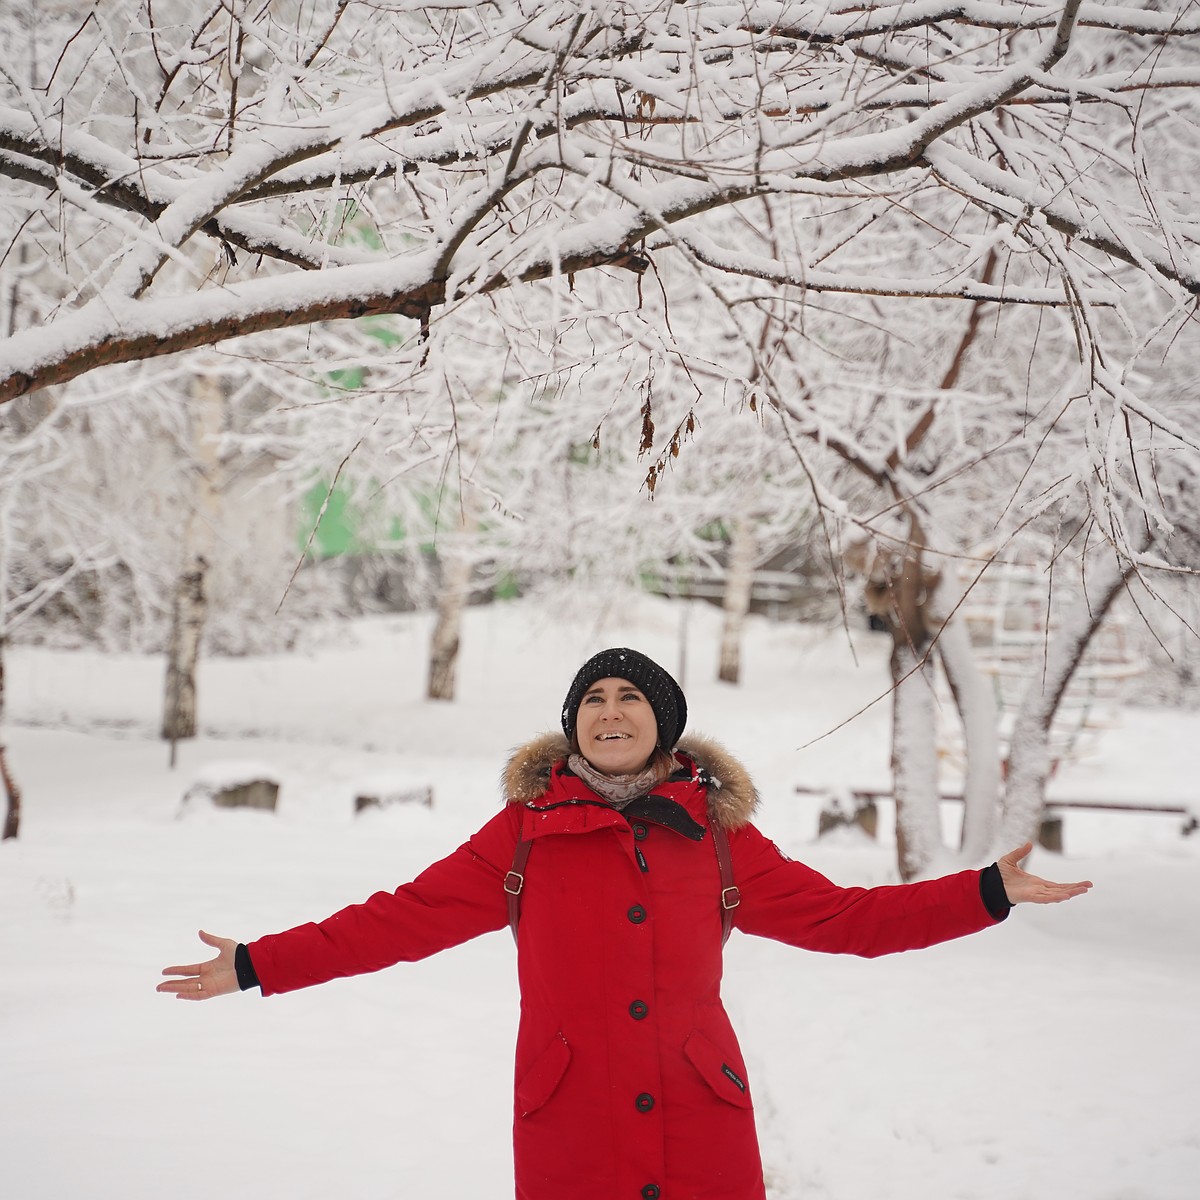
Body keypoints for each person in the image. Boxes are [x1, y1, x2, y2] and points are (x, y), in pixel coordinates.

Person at [159, 647, 1091, 1200]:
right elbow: (398, 920)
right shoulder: (522, 837)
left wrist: (985, 893)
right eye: (593, 701)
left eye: (630, 697)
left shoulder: (720, 837)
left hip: (702, 1114)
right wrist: (256, 964)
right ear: (573, 727)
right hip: (572, 1116)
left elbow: (845, 918)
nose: (610, 711)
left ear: (666, 725)